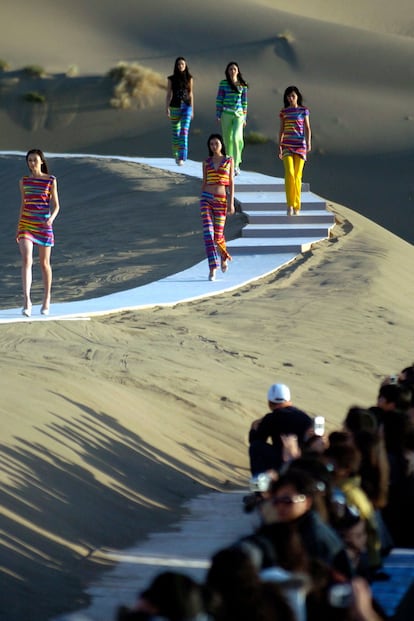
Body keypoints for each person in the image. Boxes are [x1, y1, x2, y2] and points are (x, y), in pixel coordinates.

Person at [16, 148, 60, 317]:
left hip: (43, 224)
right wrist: (19, 227)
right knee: (27, 259)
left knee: (44, 264)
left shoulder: (50, 180)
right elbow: (23, 204)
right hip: (26, 224)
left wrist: (51, 219)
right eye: (29, 160)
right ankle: (27, 300)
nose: (32, 163)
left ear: (41, 161)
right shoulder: (23, 181)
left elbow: (56, 205)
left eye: (35, 160)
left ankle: (46, 299)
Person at [248, 383, 314, 475]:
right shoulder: (304, 416)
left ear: (270, 403)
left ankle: (259, 484)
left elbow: (256, 441)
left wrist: (253, 428)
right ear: (289, 400)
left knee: (256, 447)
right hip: (306, 465)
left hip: (284, 462)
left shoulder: (271, 418)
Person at [200, 133, 234, 282]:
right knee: (208, 232)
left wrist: (231, 203)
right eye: (211, 144)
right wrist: (201, 196)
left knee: (218, 235)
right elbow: (204, 181)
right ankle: (212, 268)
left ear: (221, 144)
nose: (214, 146)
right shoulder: (206, 162)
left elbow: (231, 182)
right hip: (206, 198)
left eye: (216, 143)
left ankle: (223, 256)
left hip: (221, 200)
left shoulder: (228, 160)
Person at [278, 85, 311, 216]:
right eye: (288, 96)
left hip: (300, 146)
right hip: (287, 145)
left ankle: (297, 205)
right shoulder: (284, 112)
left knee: (297, 175)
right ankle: (290, 205)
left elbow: (307, 127)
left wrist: (308, 142)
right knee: (289, 173)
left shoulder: (304, 110)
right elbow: (281, 129)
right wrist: (279, 145)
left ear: (297, 97)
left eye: (293, 96)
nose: (291, 98)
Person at [215, 62, 248, 175]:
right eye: (230, 69)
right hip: (226, 114)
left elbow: (244, 102)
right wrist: (218, 115)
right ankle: (229, 162)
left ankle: (237, 163)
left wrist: (244, 117)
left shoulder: (242, 85)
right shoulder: (223, 84)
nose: (232, 71)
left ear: (238, 71)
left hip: (238, 115)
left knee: (236, 138)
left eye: (234, 69)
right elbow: (219, 99)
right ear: (227, 71)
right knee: (227, 139)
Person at [166, 57, 194, 165]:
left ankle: (182, 157)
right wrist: (166, 108)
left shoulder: (189, 78)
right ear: (176, 66)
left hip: (187, 107)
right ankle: (176, 155)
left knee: (184, 131)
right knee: (176, 133)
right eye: (179, 64)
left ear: (185, 65)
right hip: (174, 107)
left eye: (182, 64)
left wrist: (192, 109)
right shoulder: (171, 79)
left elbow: (191, 94)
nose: (181, 66)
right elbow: (168, 94)